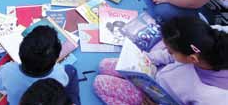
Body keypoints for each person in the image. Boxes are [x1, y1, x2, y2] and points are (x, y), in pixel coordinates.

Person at [93, 16, 228, 104]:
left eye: (171, 51)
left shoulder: (212, 96)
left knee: (100, 83)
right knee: (104, 65)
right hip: (157, 75)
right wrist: (147, 59)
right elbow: (167, 55)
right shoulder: (209, 36)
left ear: (192, 58)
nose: (168, 52)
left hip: (158, 98)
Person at [0, 26, 80, 105]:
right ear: (57, 58)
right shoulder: (60, 73)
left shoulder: (7, 70)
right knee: (71, 70)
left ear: (20, 51)